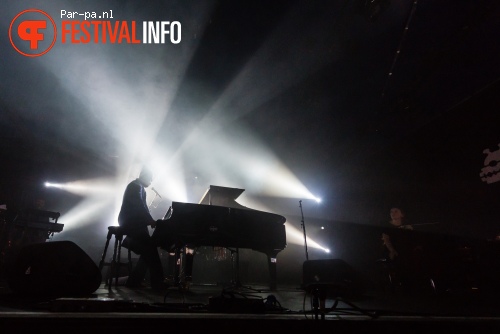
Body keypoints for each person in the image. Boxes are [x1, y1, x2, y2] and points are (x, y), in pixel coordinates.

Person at [118, 167, 168, 290]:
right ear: (144, 176)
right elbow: (139, 207)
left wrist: (148, 220)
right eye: (150, 179)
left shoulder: (136, 186)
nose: (151, 182)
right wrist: (150, 220)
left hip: (132, 222)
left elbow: (141, 208)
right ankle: (157, 283)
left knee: (148, 250)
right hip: (131, 223)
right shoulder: (137, 187)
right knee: (151, 249)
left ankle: (134, 281)